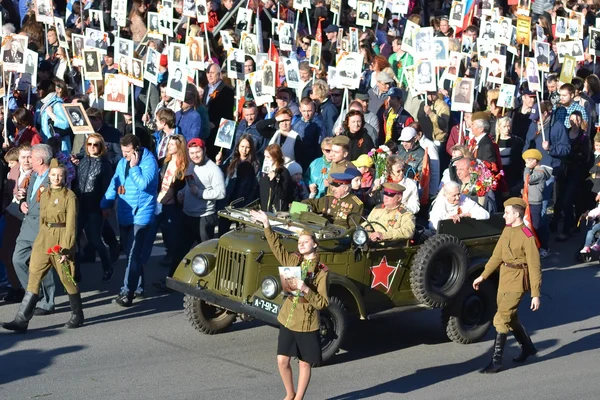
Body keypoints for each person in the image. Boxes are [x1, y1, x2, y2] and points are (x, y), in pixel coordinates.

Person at [249, 209, 328, 400]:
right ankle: (289, 392)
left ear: (314, 244)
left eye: (305, 242)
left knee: (304, 363)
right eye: (299, 242)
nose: (301, 245)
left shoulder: (321, 271)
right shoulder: (294, 259)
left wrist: (307, 290)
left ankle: (298, 397)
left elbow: (323, 303)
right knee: (282, 360)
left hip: (307, 321)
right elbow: (277, 248)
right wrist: (267, 224)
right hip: (288, 316)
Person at [2, 161, 84, 333]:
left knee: (66, 278)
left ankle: (77, 314)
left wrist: (66, 248)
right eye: (53, 175)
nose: (56, 178)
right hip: (44, 237)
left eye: (60, 175)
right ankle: (21, 320)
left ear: (65, 177)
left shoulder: (69, 196)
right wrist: (39, 239)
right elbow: (42, 219)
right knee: (34, 275)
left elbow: (71, 225)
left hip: (60, 238)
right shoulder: (45, 194)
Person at [473, 198, 542, 373]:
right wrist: (483, 276)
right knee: (510, 318)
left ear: (517, 214)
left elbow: (534, 266)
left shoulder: (527, 237)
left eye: (507, 213)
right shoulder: (507, 230)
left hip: (518, 280)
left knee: (500, 318)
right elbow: (497, 256)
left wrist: (535, 293)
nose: (504, 216)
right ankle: (527, 347)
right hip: (504, 278)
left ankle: (496, 361)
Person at [101, 134, 159, 307]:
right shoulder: (121, 163)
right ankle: (139, 287)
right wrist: (105, 203)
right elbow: (114, 183)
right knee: (131, 254)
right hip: (125, 213)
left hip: (141, 213)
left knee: (134, 254)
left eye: (128, 152)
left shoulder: (149, 162)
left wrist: (134, 167)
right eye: (123, 151)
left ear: (137, 149)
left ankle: (128, 292)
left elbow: (143, 184)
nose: (125, 155)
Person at [168, 138, 225, 276]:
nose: (195, 155)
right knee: (179, 251)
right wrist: (182, 193)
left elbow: (221, 193)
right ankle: (171, 280)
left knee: (206, 255)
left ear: (204, 150)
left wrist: (199, 193)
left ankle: (208, 286)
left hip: (204, 217)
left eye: (197, 152)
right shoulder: (191, 165)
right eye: (192, 153)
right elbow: (189, 186)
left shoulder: (214, 169)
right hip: (187, 215)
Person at [11, 144, 56, 316]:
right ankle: (33, 292)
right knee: (18, 259)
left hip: (43, 226)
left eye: (32, 157)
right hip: (28, 225)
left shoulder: (53, 177)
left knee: (44, 265)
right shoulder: (33, 176)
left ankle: (47, 301)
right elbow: (30, 198)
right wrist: (23, 203)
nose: (29, 160)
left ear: (40, 160)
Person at [73, 134, 114, 282]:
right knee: (74, 238)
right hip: (81, 205)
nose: (92, 147)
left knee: (95, 239)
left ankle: (107, 266)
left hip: (96, 206)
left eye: (95, 144)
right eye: (89, 144)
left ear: (101, 147)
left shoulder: (105, 165)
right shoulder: (83, 161)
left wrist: (106, 206)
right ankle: (75, 271)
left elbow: (108, 188)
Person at [260, 144, 294, 212]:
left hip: (277, 212)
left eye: (268, 157)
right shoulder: (265, 171)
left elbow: (283, 195)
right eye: (265, 156)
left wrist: (273, 181)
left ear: (275, 157)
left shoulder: (283, 172)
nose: (265, 159)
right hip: (264, 210)